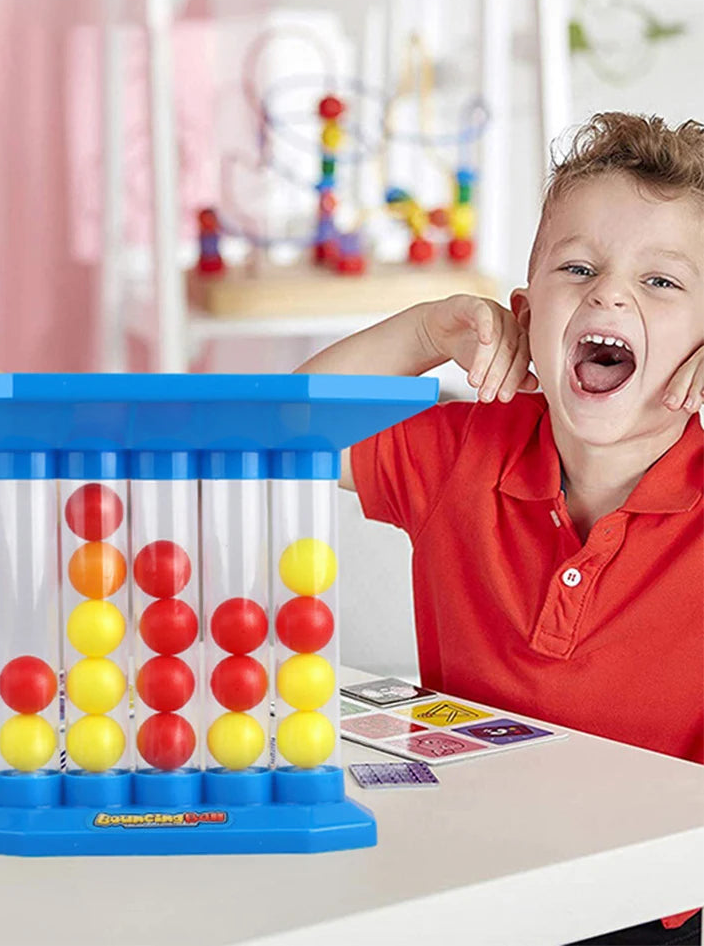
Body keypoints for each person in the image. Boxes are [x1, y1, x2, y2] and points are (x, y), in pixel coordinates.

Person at [297, 113, 702, 945]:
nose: (608, 293)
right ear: (525, 313)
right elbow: (274, 436)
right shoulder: (460, 450)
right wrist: (420, 332)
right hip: (454, 877)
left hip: (645, 902)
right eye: (577, 267)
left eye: (662, 282)